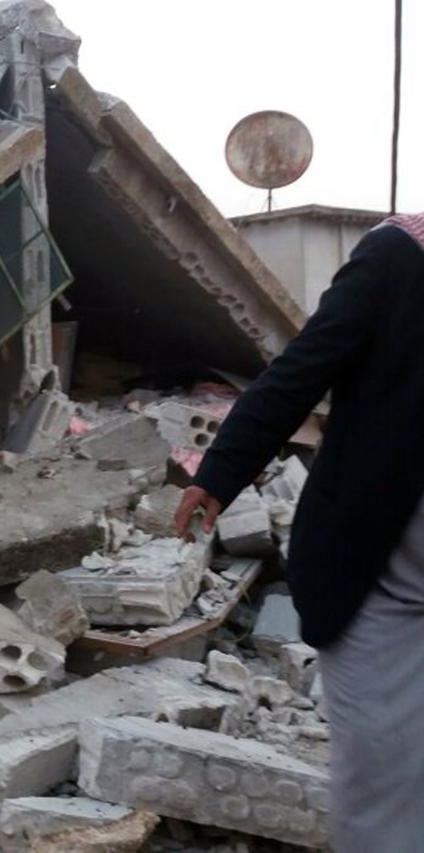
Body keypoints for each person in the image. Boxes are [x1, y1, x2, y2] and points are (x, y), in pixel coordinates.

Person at [174, 213, 424, 852]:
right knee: (383, 771)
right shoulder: (398, 257)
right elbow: (300, 373)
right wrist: (221, 472)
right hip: (378, 582)